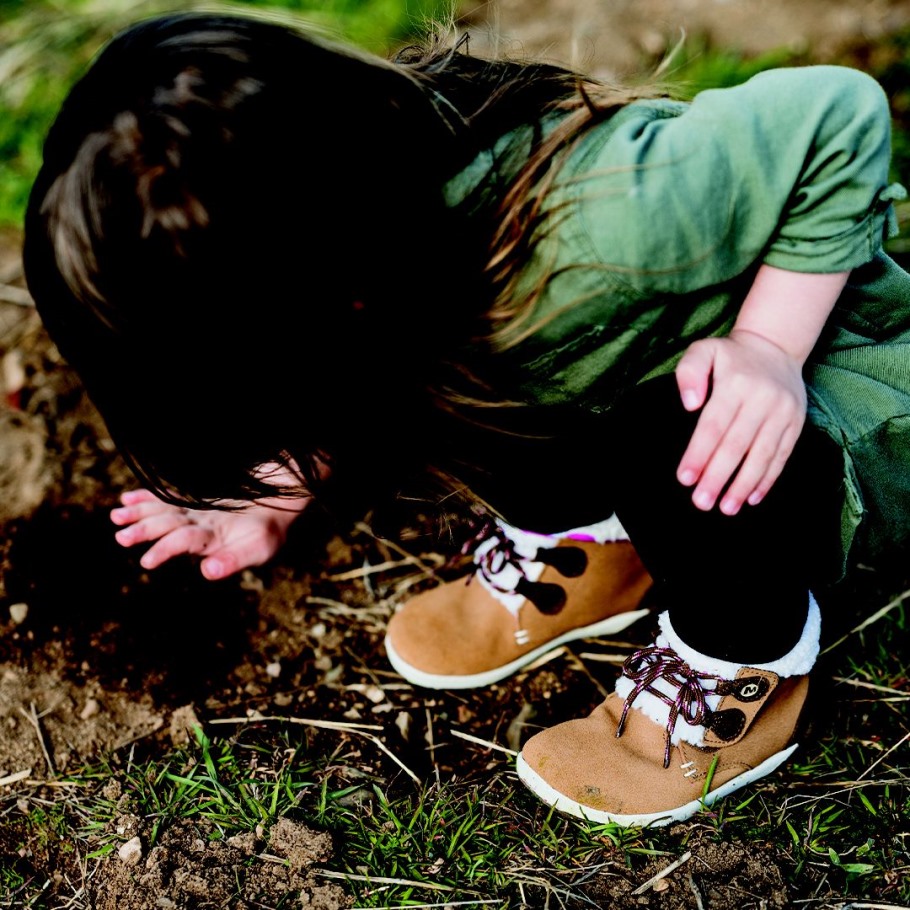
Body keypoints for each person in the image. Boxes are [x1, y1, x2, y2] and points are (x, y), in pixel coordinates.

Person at [23, 10, 910, 828]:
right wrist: (276, 489)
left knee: (666, 427)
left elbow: (835, 112)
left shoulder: (611, 216)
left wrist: (768, 348)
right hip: (630, 388)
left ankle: (743, 661)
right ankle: (597, 548)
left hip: (836, 403)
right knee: (454, 391)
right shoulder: (380, 269)